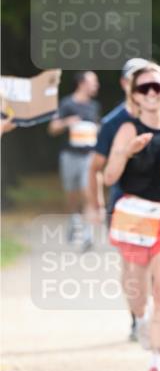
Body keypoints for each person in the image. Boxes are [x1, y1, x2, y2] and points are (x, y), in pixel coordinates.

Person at [103, 63, 160, 371]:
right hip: (134, 213)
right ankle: (142, 319)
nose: (151, 93)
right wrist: (127, 151)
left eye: (157, 87)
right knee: (137, 291)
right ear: (134, 95)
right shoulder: (125, 128)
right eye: (143, 88)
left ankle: (157, 365)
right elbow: (108, 176)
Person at [88, 58, 152, 341]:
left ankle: (149, 313)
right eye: (134, 80)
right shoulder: (113, 123)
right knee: (131, 265)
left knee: (155, 265)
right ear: (125, 84)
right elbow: (95, 168)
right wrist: (96, 205)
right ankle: (137, 318)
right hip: (125, 202)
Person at [48, 71, 101, 251]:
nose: (96, 85)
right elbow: (52, 128)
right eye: (93, 82)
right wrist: (66, 122)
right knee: (71, 194)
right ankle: (74, 217)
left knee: (87, 192)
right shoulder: (66, 103)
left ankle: (87, 234)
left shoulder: (94, 106)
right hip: (69, 156)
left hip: (88, 156)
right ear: (81, 84)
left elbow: (97, 128)